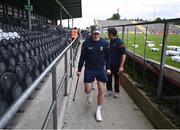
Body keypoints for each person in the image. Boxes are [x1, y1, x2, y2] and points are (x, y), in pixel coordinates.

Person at [76, 25, 111, 122]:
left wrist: (108, 68)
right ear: (91, 33)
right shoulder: (86, 43)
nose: (96, 35)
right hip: (89, 69)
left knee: (102, 90)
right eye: (94, 33)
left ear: (100, 33)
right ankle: (89, 93)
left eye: (97, 33)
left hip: (100, 69)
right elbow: (82, 57)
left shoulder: (105, 43)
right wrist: (79, 69)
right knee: (87, 89)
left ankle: (98, 110)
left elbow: (108, 57)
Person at [106, 28, 126, 98]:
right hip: (110, 63)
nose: (107, 35)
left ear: (111, 34)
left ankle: (116, 91)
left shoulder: (120, 42)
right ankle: (109, 90)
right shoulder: (110, 41)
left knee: (117, 78)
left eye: (108, 33)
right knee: (108, 77)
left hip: (117, 64)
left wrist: (121, 66)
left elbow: (123, 55)